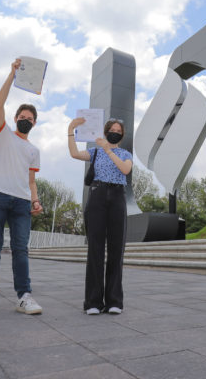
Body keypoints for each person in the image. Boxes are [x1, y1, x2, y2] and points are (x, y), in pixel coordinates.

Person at [0, 59, 44, 316]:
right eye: (22, 117)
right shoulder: (3, 133)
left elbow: (32, 181)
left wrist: (35, 201)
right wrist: (12, 74)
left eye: (30, 119)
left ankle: (24, 296)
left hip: (22, 203)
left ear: (34, 123)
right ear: (15, 119)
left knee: (20, 250)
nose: (25, 120)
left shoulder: (34, 151)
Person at [67, 117, 132, 315]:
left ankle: (114, 301)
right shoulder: (95, 152)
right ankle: (93, 302)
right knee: (95, 248)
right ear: (105, 132)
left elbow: (125, 169)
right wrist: (71, 129)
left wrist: (108, 149)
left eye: (118, 131)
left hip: (117, 197)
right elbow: (74, 153)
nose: (115, 133)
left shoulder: (125, 153)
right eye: (112, 130)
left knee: (116, 248)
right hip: (97, 195)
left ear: (122, 135)